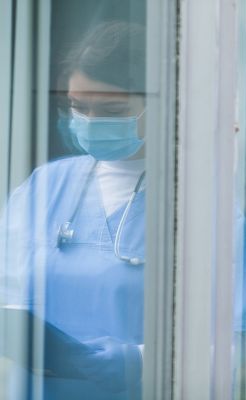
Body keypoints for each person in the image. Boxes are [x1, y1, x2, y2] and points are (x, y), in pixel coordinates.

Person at [0, 21, 146, 400]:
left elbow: (228, 341)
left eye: (113, 109)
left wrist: (137, 362)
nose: (92, 122)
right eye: (78, 107)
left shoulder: (193, 204)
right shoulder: (43, 187)